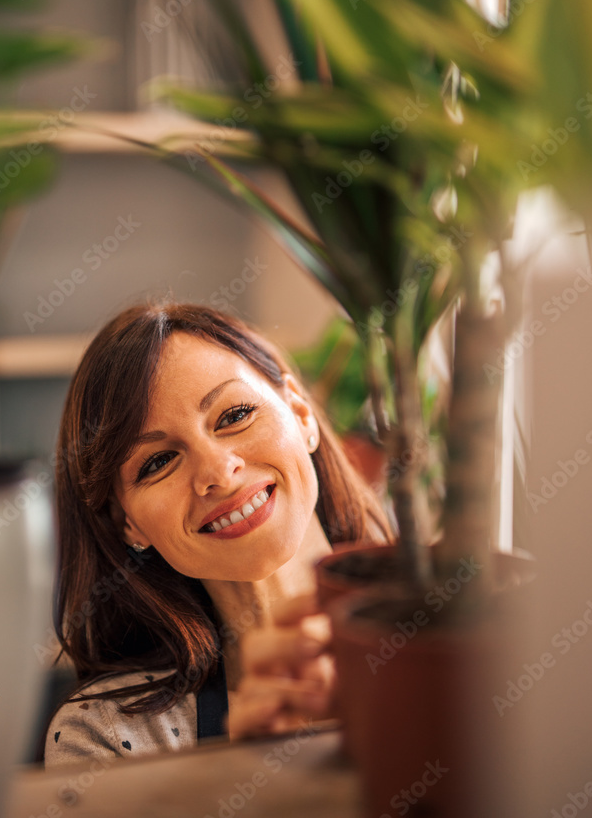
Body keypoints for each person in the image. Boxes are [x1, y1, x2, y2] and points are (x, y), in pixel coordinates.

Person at [44, 302, 392, 767]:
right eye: (158, 462)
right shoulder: (104, 737)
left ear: (301, 413)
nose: (218, 474)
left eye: (235, 415)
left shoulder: (454, 630)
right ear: (128, 523)